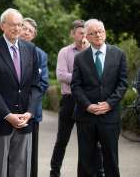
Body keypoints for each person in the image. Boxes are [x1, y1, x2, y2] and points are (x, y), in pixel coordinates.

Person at [0, 8, 42, 177]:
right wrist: (8, 115)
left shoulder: (31, 49)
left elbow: (36, 85)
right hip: (0, 121)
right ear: (2, 26)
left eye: (20, 25)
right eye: (13, 25)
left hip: (25, 120)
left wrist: (29, 112)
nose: (17, 28)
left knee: (22, 170)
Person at [71, 19, 128, 177]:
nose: (98, 35)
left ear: (105, 32)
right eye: (93, 33)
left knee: (111, 159)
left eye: (100, 31)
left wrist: (109, 104)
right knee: (86, 160)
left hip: (110, 116)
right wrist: (88, 105)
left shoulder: (118, 54)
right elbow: (76, 86)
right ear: (87, 37)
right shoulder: (80, 58)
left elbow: (123, 83)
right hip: (86, 116)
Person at [49, 20, 89, 177]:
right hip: (69, 99)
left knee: (87, 140)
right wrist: (82, 78)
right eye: (80, 33)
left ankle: (85, 172)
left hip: (87, 101)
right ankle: (54, 171)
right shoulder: (65, 52)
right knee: (62, 139)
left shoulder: (92, 51)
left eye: (85, 33)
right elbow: (61, 75)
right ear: (73, 34)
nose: (83, 36)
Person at [20, 17, 49, 177]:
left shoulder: (41, 55)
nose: (26, 32)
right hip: (10, 112)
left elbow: (43, 83)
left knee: (31, 155)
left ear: (34, 35)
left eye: (30, 31)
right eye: (24, 27)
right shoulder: (6, 50)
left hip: (31, 113)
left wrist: (29, 109)